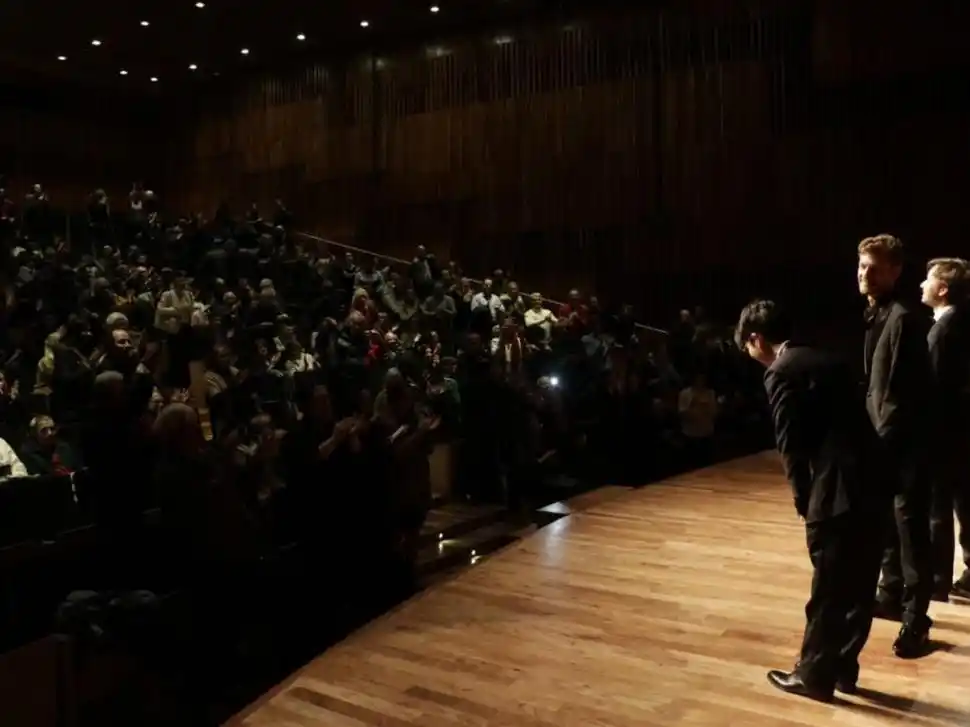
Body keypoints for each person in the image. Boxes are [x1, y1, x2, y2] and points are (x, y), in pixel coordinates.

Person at [735, 299, 886, 702]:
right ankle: (844, 670)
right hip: (874, 478)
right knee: (860, 583)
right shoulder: (828, 359)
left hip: (837, 489)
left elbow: (791, 446)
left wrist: (804, 502)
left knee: (829, 586)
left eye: (748, 348)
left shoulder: (781, 371)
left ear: (756, 338)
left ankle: (815, 675)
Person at [857, 234, 934, 657]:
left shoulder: (904, 318)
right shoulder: (878, 313)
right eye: (861, 266)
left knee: (910, 532)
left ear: (896, 271)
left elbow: (903, 396)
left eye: (874, 267)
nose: (865, 274)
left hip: (904, 448)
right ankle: (889, 595)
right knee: (887, 524)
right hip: (885, 443)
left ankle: (916, 621)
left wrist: (880, 446)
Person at [920, 257, 970, 599]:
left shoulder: (942, 331)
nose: (921, 285)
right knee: (965, 504)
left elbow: (933, 388)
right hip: (961, 431)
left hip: (945, 433)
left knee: (937, 508)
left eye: (928, 279)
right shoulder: (961, 323)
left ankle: (936, 580)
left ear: (942, 289)